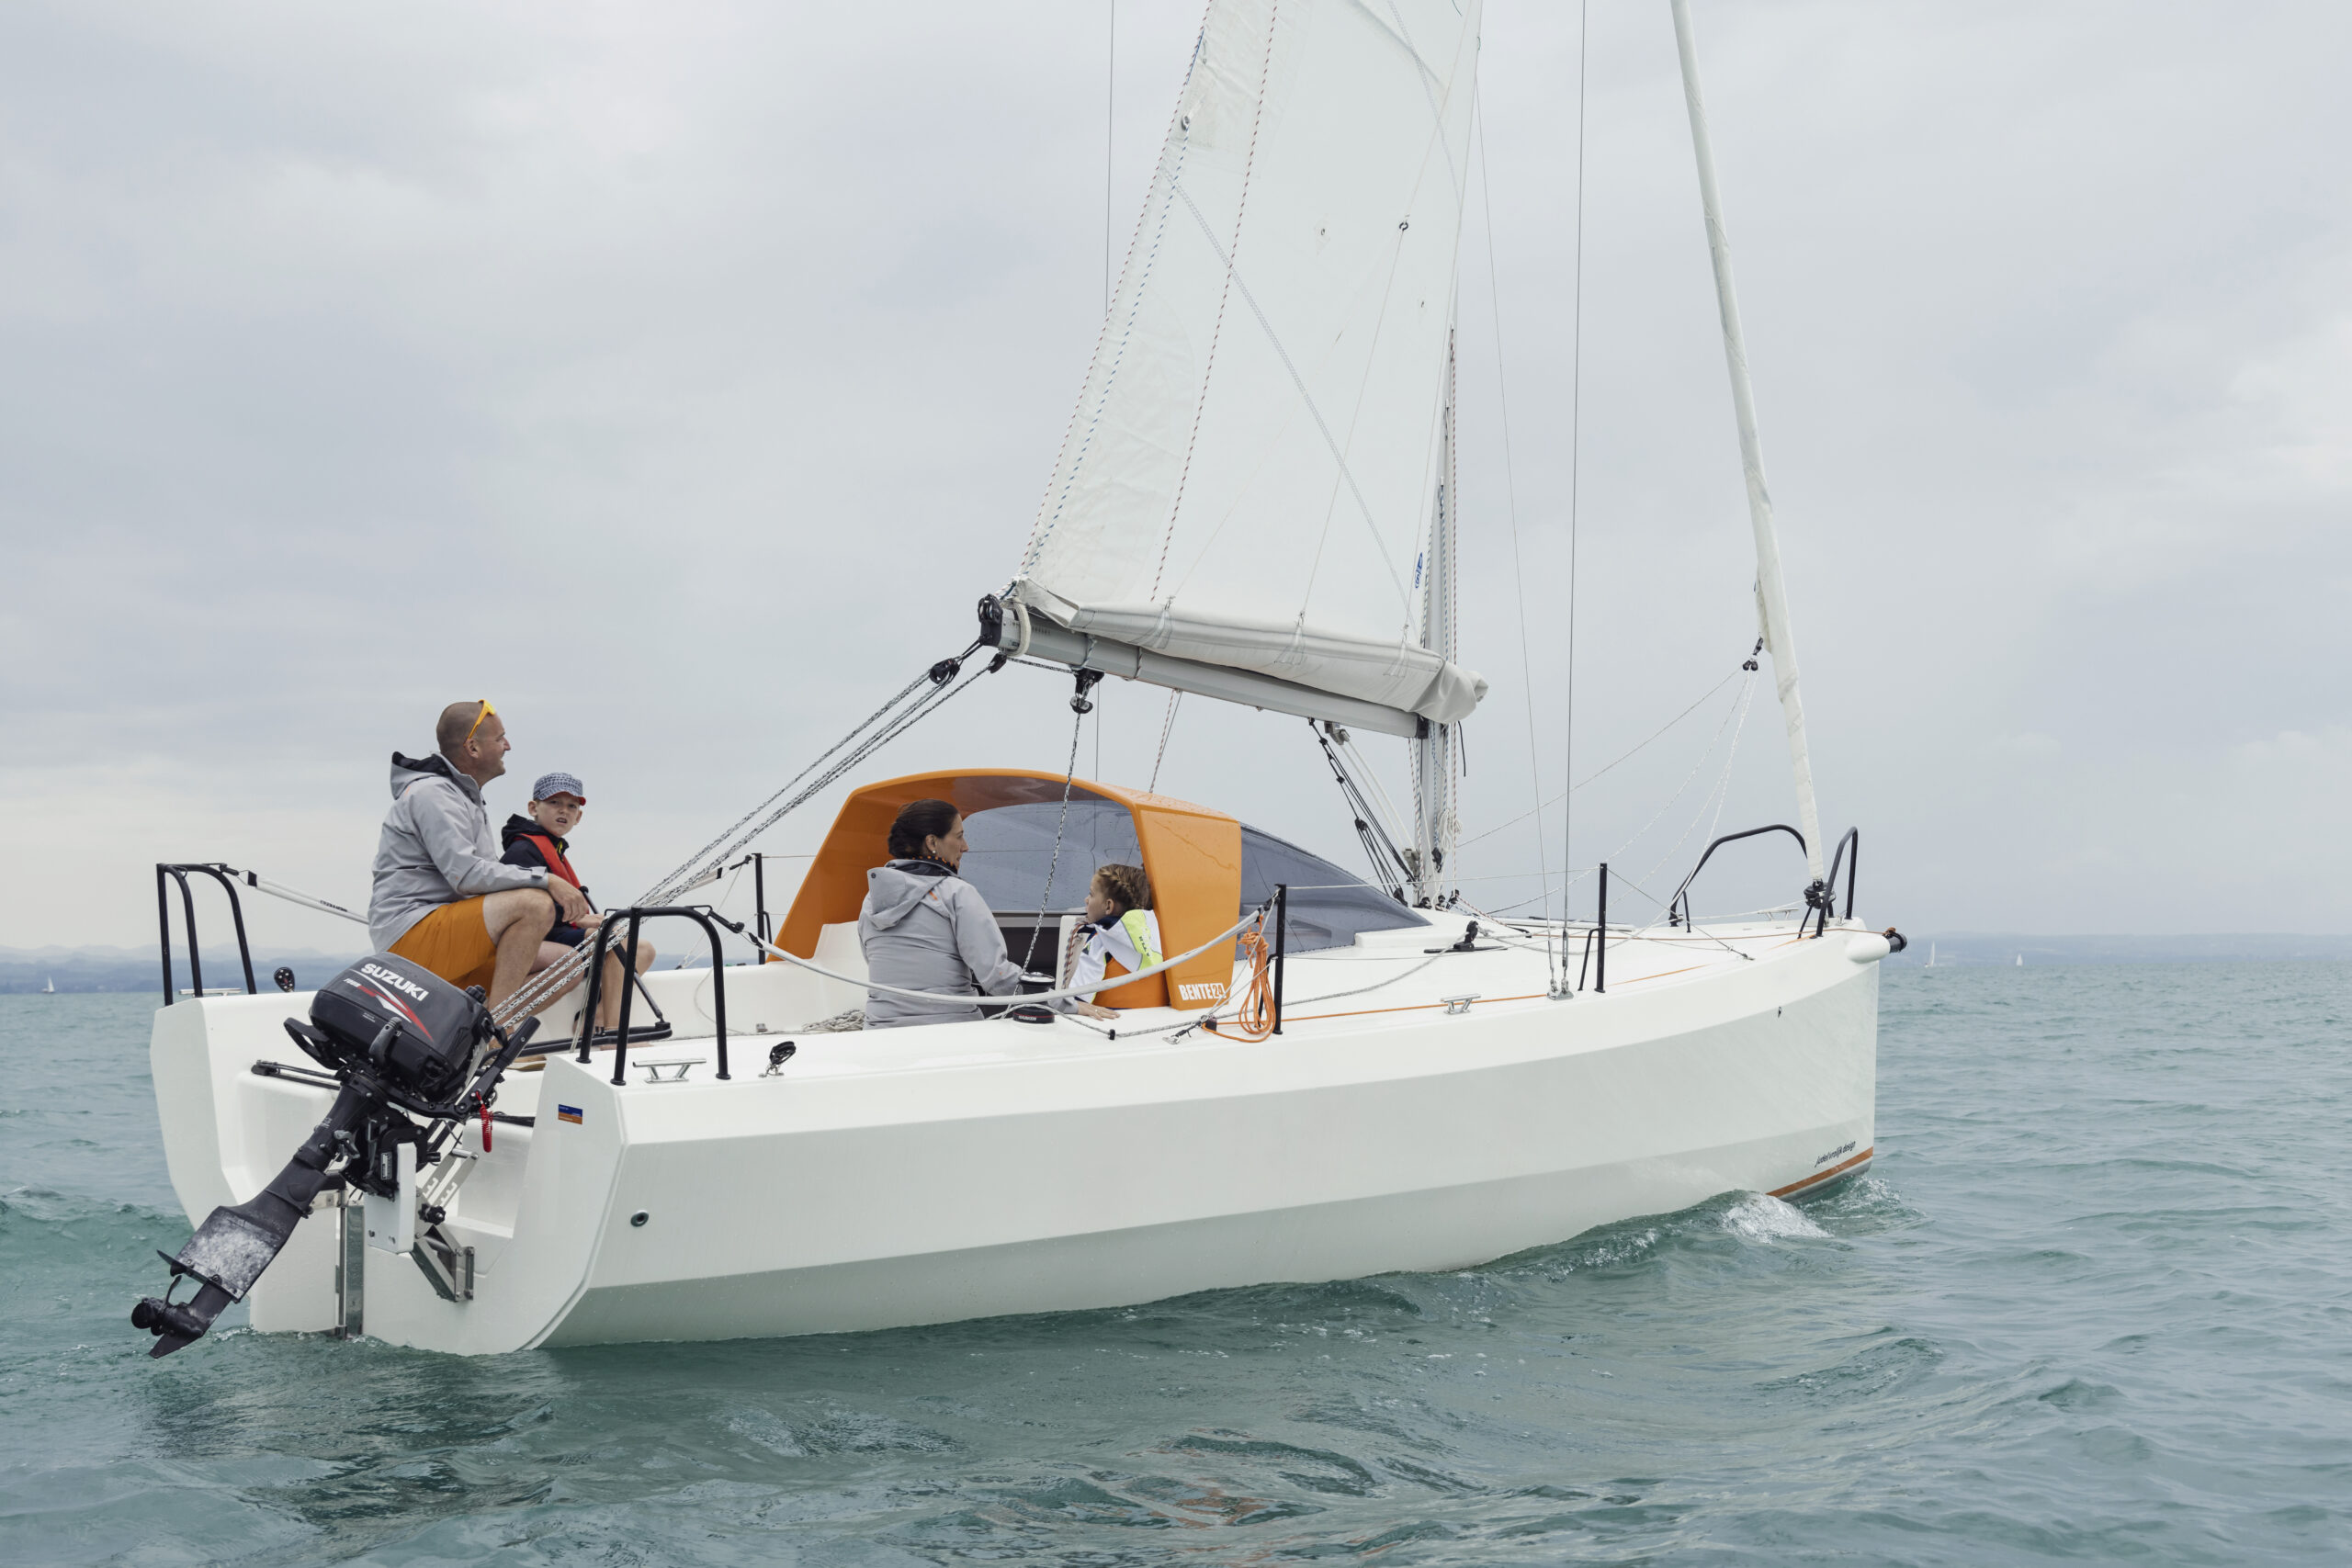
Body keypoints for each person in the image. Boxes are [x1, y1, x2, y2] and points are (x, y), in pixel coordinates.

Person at [367, 700, 595, 1010]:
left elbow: (484, 877)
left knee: (566, 965)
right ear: (473, 748)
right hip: (410, 939)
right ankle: (499, 1026)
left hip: (449, 935)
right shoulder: (432, 794)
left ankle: (474, 1031)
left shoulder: (464, 797)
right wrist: (548, 880)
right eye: (500, 738)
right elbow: (466, 875)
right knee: (535, 904)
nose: (508, 746)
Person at [500, 771, 654, 1032]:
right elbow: (519, 908)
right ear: (533, 808)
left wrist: (586, 919)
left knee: (643, 950)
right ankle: (614, 1034)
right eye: (554, 802)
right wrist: (581, 919)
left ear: (579, 817)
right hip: (535, 939)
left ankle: (595, 1019)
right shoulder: (522, 851)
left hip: (558, 934)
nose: (564, 811)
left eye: (572, 806)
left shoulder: (553, 848)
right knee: (618, 940)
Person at [858, 799, 1026, 1029]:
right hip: (949, 1032)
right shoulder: (956, 892)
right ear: (932, 842)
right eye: (959, 836)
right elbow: (997, 977)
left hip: (879, 1033)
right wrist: (1066, 1004)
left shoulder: (872, 900)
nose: (965, 846)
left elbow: (875, 961)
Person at [1061, 863, 1159, 1020]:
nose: (1086, 900)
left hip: (1108, 1023)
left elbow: (1077, 1000)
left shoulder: (1100, 941)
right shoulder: (1160, 938)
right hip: (1154, 1022)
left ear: (1108, 906)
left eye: (1091, 894)